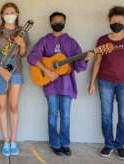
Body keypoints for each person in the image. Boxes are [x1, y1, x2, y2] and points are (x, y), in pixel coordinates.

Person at [27, 12, 93, 156]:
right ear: (50, 23)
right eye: (55, 21)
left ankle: (65, 143)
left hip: (67, 85)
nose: (58, 23)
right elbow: (32, 57)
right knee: (52, 114)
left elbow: (80, 67)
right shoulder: (44, 40)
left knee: (66, 115)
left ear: (65, 22)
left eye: (61, 21)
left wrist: (86, 59)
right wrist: (47, 71)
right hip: (50, 84)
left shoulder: (71, 42)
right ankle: (55, 143)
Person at [88, 6, 124, 160]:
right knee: (106, 115)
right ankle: (109, 144)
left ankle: (120, 145)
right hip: (105, 82)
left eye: (120, 21)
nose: (117, 24)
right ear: (109, 21)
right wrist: (92, 82)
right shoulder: (102, 40)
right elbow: (97, 62)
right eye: (114, 21)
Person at [0, 2, 29, 157]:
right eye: (6, 12)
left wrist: (22, 44)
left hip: (16, 72)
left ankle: (14, 141)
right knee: (2, 107)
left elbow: (22, 54)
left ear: (17, 13)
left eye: (12, 12)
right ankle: (5, 141)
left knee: (13, 107)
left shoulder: (22, 31)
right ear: (2, 15)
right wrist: (1, 69)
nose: (10, 14)